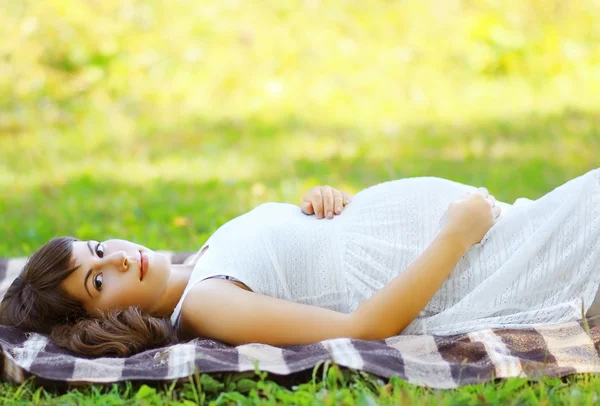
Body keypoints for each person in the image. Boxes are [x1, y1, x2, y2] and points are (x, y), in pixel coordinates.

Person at [1, 168, 599, 357]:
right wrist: (455, 234)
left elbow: (307, 257)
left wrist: (329, 206)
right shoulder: (207, 303)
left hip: (496, 231)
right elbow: (362, 329)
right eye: (97, 282)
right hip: (484, 260)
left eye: (98, 252)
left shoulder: (209, 255)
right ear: (98, 322)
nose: (118, 262)